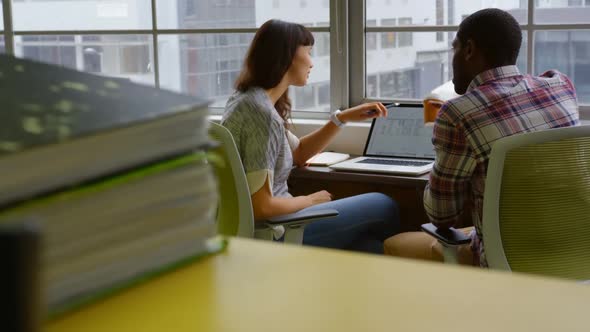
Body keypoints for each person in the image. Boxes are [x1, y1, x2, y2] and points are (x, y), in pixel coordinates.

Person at [383, 8, 579, 266]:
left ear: (469, 50)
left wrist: (442, 168)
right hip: (576, 248)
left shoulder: (458, 113)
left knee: (394, 244)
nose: (452, 59)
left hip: (509, 260)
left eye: (454, 49)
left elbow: (442, 216)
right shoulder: (560, 86)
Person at [221, 19, 400, 254]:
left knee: (370, 249)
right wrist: (310, 200)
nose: (312, 62)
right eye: (308, 52)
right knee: (384, 205)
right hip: (274, 232)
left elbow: (298, 152)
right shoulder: (262, 116)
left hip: (261, 229)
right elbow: (261, 206)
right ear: (287, 56)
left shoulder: (246, 100)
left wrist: (341, 119)